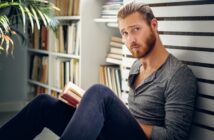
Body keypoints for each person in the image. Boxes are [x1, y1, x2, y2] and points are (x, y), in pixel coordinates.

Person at [0, 1, 197, 140]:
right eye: (125, 33)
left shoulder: (178, 75)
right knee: (44, 104)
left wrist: (114, 118)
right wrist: (88, 112)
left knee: (99, 92)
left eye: (136, 29)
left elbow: (174, 136)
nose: (130, 40)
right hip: (117, 135)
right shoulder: (137, 67)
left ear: (153, 25)